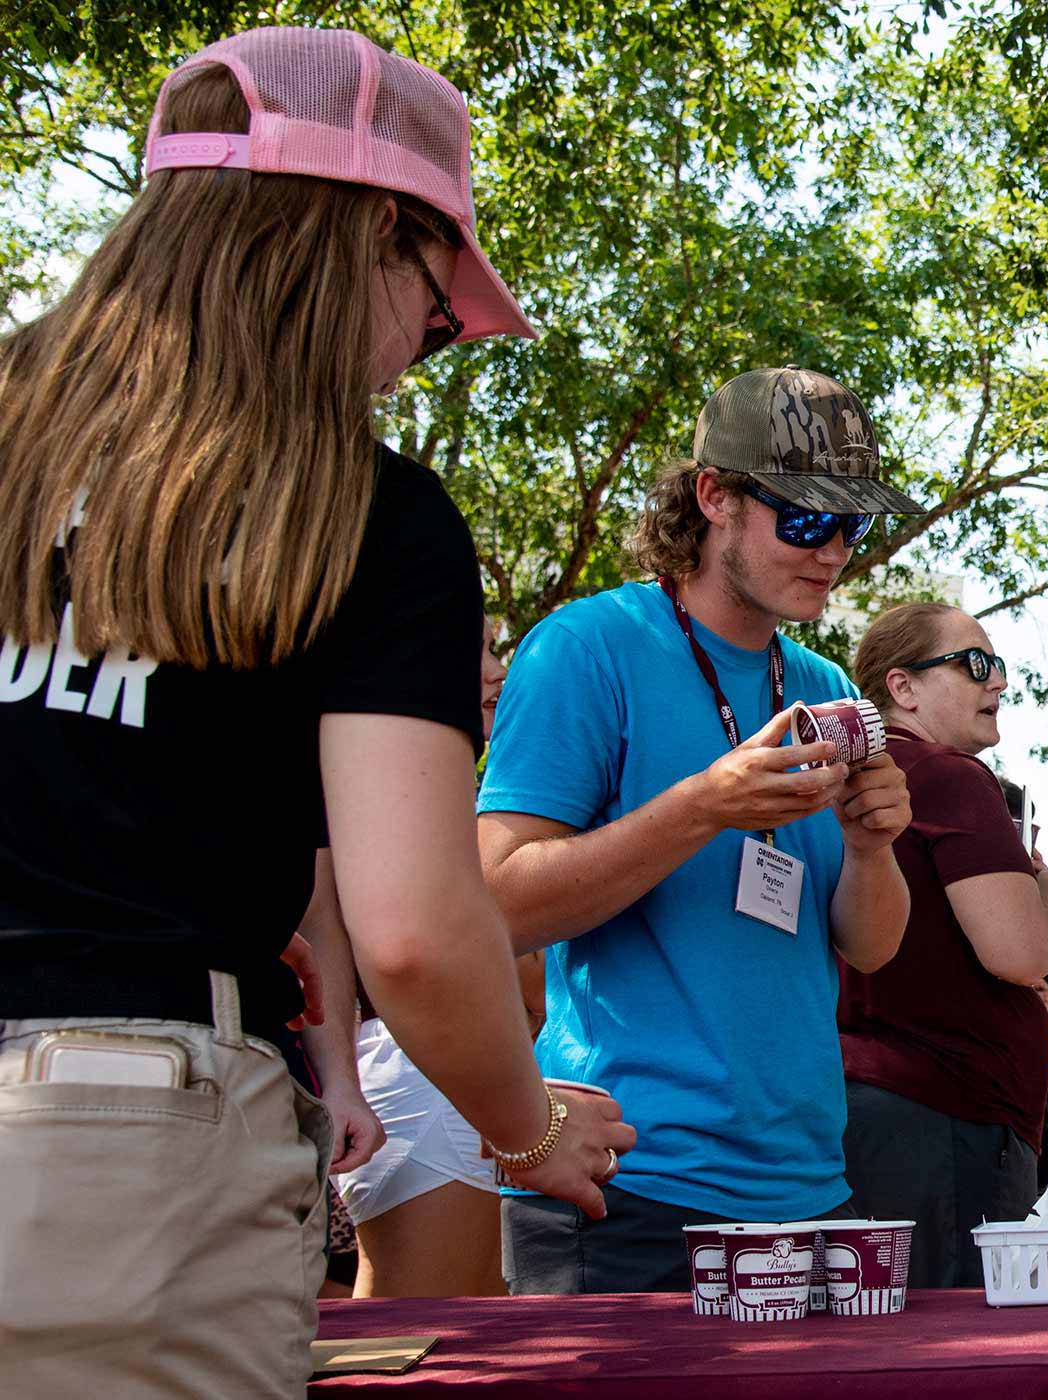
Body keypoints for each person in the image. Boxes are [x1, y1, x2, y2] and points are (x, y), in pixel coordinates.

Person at [0, 29, 630, 1394]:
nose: (428, 343)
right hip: (114, 1157)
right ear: (367, 239)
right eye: (439, 294)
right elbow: (417, 925)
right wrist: (524, 1135)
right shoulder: (370, 511)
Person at [478, 368, 918, 1293]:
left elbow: (870, 949)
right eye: (805, 518)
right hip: (628, 1185)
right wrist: (704, 806)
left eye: (854, 524)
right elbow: (494, 907)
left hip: (810, 1186)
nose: (833, 550)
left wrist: (874, 847)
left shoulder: (828, 688)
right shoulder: (586, 648)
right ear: (713, 495)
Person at [838, 601, 1048, 1287]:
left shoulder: (846, 779)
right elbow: (1020, 952)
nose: (998, 684)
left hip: (867, 1109)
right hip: (949, 1115)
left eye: (999, 667)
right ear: (902, 686)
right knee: (954, 1354)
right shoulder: (950, 776)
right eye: (975, 664)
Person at [333, 623, 520, 1297]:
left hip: (466, 1081)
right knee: (419, 1342)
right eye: (472, 646)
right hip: (430, 1076)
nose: (497, 672)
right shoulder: (386, 790)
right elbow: (415, 949)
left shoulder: (467, 794)